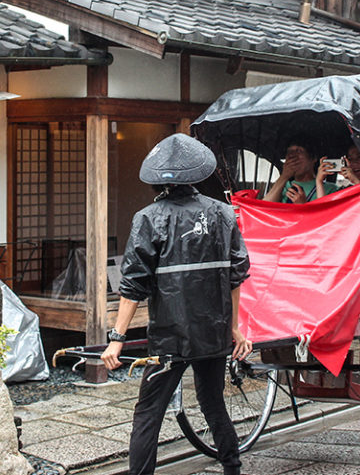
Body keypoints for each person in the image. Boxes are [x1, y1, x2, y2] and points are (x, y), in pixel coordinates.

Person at [101, 133, 252, 475]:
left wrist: (116, 337)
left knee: (149, 412)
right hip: (212, 333)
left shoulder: (149, 218)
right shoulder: (223, 214)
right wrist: (234, 328)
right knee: (213, 403)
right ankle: (232, 467)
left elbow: (133, 284)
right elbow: (235, 275)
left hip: (170, 336)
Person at [263, 142, 339, 203]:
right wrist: (284, 176)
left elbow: (326, 218)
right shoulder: (282, 186)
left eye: (299, 151)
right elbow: (264, 209)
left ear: (313, 158)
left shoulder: (331, 189)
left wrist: (302, 206)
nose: (292, 156)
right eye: (289, 151)